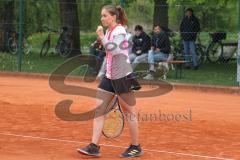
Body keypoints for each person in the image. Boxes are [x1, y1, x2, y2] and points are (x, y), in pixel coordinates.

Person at [77, 5, 143, 158]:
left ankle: (136, 147)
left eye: (105, 15)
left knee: (129, 113)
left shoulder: (119, 31)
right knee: (99, 110)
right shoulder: (110, 31)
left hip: (121, 76)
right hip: (110, 75)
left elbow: (116, 50)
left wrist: (101, 36)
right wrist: (103, 38)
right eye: (102, 15)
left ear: (114, 17)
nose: (102, 18)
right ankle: (94, 146)